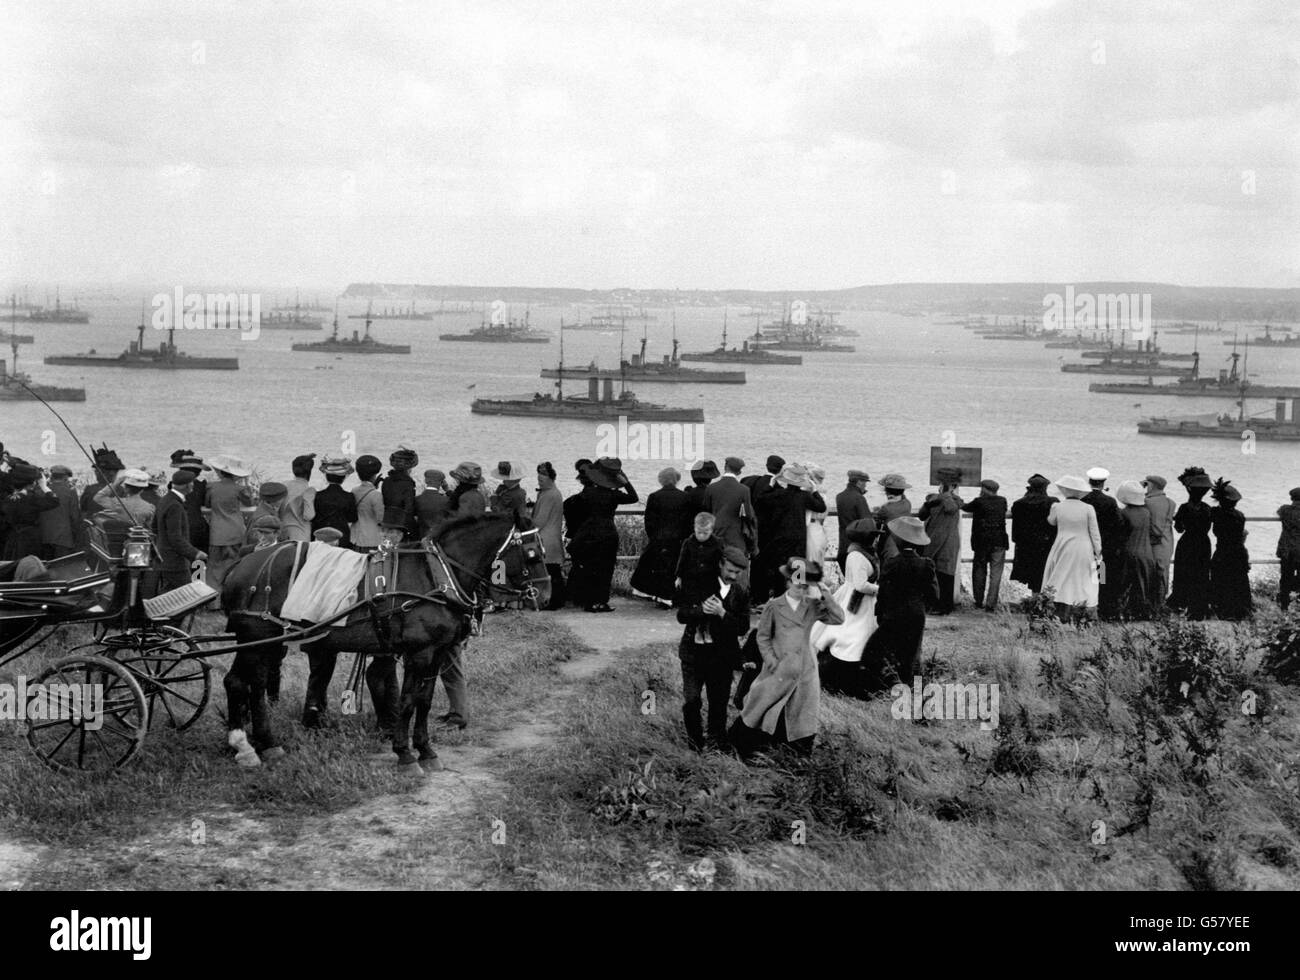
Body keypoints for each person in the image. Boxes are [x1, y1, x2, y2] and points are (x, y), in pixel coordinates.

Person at [729, 558, 844, 757]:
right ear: (789, 582)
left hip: (805, 669)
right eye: (798, 584)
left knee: (800, 712)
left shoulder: (812, 605)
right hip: (779, 667)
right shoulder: (774, 606)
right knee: (762, 705)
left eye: (806, 586)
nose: (802, 589)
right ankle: (749, 748)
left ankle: (794, 754)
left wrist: (825, 592)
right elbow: (762, 637)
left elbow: (838, 618)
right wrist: (771, 660)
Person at [676, 546, 751, 750]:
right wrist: (700, 610)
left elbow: (743, 627)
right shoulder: (697, 584)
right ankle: (694, 744)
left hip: (721, 658)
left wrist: (722, 613)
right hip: (693, 655)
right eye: (730, 571)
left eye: (738, 573)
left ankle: (715, 744)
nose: (733, 576)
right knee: (691, 701)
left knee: (718, 704)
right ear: (720, 564)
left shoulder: (741, 593)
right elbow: (681, 615)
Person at [813, 519, 880, 697]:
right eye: (874, 537)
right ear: (868, 538)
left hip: (853, 597)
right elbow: (860, 585)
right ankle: (845, 676)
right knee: (855, 636)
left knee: (848, 633)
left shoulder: (857, 551)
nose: (876, 540)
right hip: (858, 600)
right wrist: (880, 590)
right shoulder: (858, 556)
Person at [566, 458, 637, 612]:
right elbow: (634, 497)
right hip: (608, 532)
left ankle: (589, 602)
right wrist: (625, 482)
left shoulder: (587, 493)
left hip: (589, 532)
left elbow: (575, 508)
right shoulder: (613, 494)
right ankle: (602, 601)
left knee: (591, 567)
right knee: (606, 568)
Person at [754, 462, 826, 604]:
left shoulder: (778, 494)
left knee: (780, 572)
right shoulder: (804, 496)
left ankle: (779, 601)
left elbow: (760, 499)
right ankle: (796, 601)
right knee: (797, 572)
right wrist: (815, 489)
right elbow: (821, 506)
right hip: (798, 540)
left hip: (779, 539)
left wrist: (772, 482)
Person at [1041, 475, 1102, 622]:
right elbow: (1094, 532)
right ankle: (1081, 610)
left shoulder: (1057, 506)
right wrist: (1098, 551)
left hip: (1062, 544)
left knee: (1059, 576)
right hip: (1084, 546)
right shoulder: (1088, 508)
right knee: (1083, 578)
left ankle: (1055, 609)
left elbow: (1051, 522)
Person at [631, 467, 692, 608]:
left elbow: (649, 521)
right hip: (678, 539)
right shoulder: (685, 497)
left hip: (659, 538)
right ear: (677, 480)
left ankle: (660, 596)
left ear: (661, 480)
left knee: (658, 567)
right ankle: (669, 597)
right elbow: (687, 521)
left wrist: (653, 537)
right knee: (673, 568)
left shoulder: (654, 496)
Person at [1167, 466, 1213, 620]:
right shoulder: (1208, 509)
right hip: (1203, 543)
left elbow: (1179, 528)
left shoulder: (1185, 508)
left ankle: (1180, 602)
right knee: (1201, 574)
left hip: (1187, 543)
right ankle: (1199, 605)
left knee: (1183, 572)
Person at [204, 453, 253, 588]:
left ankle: (214, 601)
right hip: (236, 532)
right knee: (235, 565)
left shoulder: (211, 487)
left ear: (220, 471)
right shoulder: (240, 489)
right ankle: (231, 597)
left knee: (214, 568)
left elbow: (207, 504)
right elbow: (249, 503)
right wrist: (247, 483)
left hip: (217, 533)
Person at [1082, 466, 1125, 620]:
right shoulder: (1110, 501)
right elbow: (1119, 524)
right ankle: (1104, 610)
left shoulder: (1083, 500)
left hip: (1086, 545)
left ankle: (1085, 607)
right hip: (1106, 547)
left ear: (1089, 481)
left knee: (1085, 578)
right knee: (1102, 579)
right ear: (1103, 483)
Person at [153, 469, 206, 593]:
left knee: (168, 593)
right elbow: (175, 537)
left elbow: (154, 527)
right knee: (186, 594)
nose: (193, 485)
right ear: (187, 485)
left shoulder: (164, 500)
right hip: (175, 561)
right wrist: (195, 553)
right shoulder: (175, 506)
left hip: (163, 557)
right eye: (192, 483)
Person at [1115, 479, 1162, 619]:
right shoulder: (1146, 513)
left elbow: (1121, 534)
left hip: (1129, 552)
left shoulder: (1123, 513)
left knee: (1126, 584)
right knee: (1143, 585)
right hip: (1146, 553)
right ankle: (1143, 612)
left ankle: (1125, 612)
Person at [919, 471, 962, 614]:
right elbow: (922, 515)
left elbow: (951, 509)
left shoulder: (956, 500)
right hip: (932, 541)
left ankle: (945, 607)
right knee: (931, 574)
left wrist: (946, 494)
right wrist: (929, 502)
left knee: (946, 575)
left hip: (948, 543)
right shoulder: (934, 499)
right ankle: (931, 604)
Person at [962, 478, 1008, 611]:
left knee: (979, 571)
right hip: (999, 540)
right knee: (996, 574)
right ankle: (991, 604)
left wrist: (956, 498)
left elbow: (965, 507)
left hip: (981, 541)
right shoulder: (1002, 500)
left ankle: (978, 601)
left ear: (984, 489)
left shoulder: (978, 502)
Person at [1209, 478, 1252, 620]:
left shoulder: (1216, 513)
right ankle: (1240, 611)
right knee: (1238, 581)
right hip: (1238, 551)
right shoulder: (1240, 515)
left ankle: (1222, 609)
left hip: (1223, 550)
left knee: (1221, 579)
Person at [2, 461, 59, 561]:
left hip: (13, 539)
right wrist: (44, 486)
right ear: (32, 483)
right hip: (31, 538)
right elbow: (54, 501)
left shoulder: (7, 500)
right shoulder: (31, 498)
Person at [1010, 474, 1056, 593]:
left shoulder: (1019, 504)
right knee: (1042, 575)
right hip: (1045, 544)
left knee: (1032, 576)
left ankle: (1035, 601)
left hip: (1026, 545)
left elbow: (1016, 529)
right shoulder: (1052, 502)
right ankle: (1041, 602)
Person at [703, 456, 756, 559]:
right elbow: (748, 515)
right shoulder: (744, 490)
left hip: (715, 532)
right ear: (739, 472)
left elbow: (706, 511)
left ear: (725, 467)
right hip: (735, 535)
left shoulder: (711, 488)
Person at [532, 462, 566, 609]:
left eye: (543, 477)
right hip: (552, 536)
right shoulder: (553, 493)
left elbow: (539, 520)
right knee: (553, 571)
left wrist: (529, 523)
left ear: (551, 478)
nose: (540, 479)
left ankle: (555, 601)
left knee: (550, 572)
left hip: (546, 538)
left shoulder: (548, 495)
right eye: (539, 477)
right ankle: (557, 600)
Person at [675, 512, 725, 605]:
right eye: (699, 532)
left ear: (711, 530)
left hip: (710, 580)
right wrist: (679, 576)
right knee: (691, 604)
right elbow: (682, 560)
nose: (701, 536)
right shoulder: (688, 542)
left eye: (705, 533)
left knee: (709, 604)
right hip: (691, 580)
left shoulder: (717, 543)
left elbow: (722, 561)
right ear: (694, 528)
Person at [312, 455, 358, 549]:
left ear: (327, 476)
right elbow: (353, 518)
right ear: (343, 478)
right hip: (342, 537)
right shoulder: (349, 497)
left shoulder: (318, 495)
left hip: (320, 536)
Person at [1143, 474, 1176, 602]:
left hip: (1151, 542)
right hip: (1167, 542)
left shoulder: (1147, 502)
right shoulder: (1171, 503)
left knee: (1150, 572)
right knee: (1164, 572)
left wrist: (1140, 489)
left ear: (1151, 485)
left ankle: (1149, 602)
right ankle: (1161, 601)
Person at [38, 464, 82, 559]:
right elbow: (74, 516)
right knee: (61, 566)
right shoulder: (70, 491)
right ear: (66, 477)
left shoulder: (41, 490)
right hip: (63, 537)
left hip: (43, 536)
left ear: (52, 476)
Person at [170, 451, 210, 553]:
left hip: (179, 524)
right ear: (198, 472)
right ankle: (199, 569)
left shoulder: (172, 486)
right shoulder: (201, 486)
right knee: (200, 556)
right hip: (197, 525)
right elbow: (205, 503)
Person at [834, 469, 873, 574]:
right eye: (865, 482)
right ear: (859, 482)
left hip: (843, 545)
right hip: (856, 548)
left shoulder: (839, 497)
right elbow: (867, 523)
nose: (865, 485)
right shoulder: (859, 498)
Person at [382, 445, 419, 538]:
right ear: (409, 468)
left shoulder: (387, 481)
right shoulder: (408, 483)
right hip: (401, 523)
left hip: (386, 521)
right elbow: (409, 508)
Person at [874, 474, 913, 561]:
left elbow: (877, 518)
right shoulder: (907, 504)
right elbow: (902, 499)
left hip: (890, 541)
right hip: (904, 539)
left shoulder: (886, 508)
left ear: (887, 492)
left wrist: (879, 508)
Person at [350, 454, 384, 551]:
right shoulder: (376, 495)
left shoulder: (354, 490)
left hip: (355, 537)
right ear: (374, 475)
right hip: (371, 539)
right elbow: (380, 519)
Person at [281, 453, 317, 543]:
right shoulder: (309, 490)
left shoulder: (283, 485)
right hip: (301, 535)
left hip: (283, 532)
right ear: (309, 472)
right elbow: (309, 516)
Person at [79, 445, 123, 517]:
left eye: (96, 471)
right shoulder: (121, 490)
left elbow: (83, 511)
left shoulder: (90, 489)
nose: (95, 473)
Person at [1277, 487, 1300, 611]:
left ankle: (1284, 606)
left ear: (1292, 498)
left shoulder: (1285, 510)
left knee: (1285, 578)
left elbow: (1279, 512)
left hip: (1286, 550)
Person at [489, 461, 530, 529]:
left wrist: (494, 496)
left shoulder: (516, 494)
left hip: (511, 525)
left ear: (515, 480)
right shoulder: (508, 490)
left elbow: (497, 511)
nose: (503, 481)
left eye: (506, 479)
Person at [415, 468, 451, 539]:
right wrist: (447, 490)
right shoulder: (446, 500)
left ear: (426, 481)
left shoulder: (417, 499)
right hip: (441, 537)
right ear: (442, 483)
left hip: (421, 536)